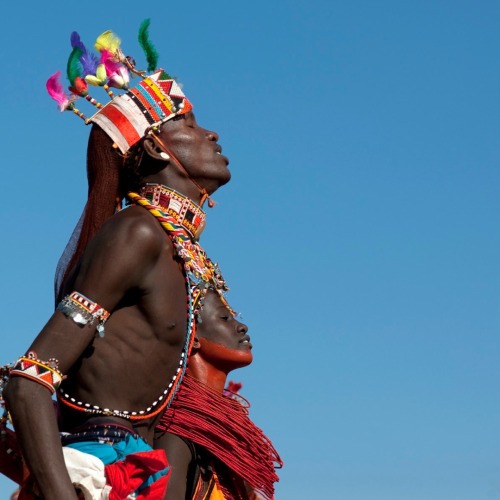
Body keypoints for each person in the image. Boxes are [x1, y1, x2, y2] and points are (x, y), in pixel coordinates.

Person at [2, 20, 234, 499]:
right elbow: (29, 380)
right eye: (188, 124)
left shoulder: (178, 249)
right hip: (106, 477)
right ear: (154, 146)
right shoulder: (138, 231)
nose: (210, 133)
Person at [155, 289, 282, 500]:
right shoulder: (176, 429)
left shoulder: (221, 431)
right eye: (225, 318)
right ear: (193, 337)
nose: (242, 327)